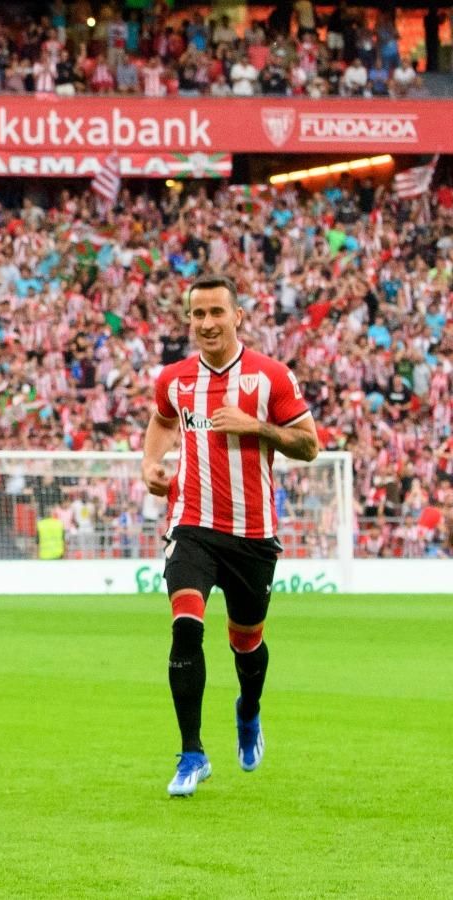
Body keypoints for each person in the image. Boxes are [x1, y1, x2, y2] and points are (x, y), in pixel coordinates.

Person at [142, 274, 319, 797]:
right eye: (198, 315)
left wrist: (256, 427)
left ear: (238, 316)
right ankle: (192, 753)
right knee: (185, 627)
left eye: (217, 312)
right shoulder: (174, 379)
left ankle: (249, 710)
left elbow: (310, 445)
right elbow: (160, 420)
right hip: (191, 524)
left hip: (252, 536)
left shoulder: (270, 378)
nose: (207, 324)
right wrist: (150, 464)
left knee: (247, 644)